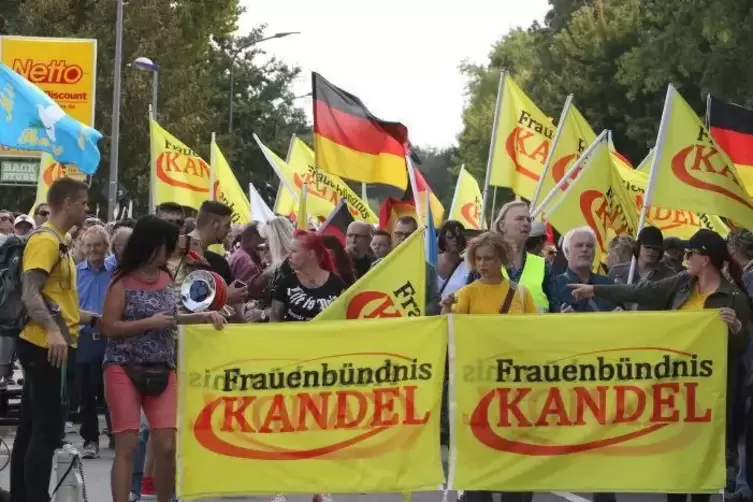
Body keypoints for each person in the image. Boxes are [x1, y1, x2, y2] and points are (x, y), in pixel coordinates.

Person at [570, 229, 752, 502]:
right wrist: (595, 289)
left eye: (691, 253)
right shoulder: (681, 283)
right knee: (676, 464)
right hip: (676, 391)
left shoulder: (735, 298)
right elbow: (643, 292)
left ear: (705, 259)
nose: (685, 258)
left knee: (700, 465)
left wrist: (736, 328)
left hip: (710, 395)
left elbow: (741, 350)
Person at [101, 215, 225, 502]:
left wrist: (202, 317)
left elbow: (169, 319)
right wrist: (148, 323)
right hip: (123, 367)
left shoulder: (166, 277)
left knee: (167, 444)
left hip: (162, 365)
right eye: (165, 247)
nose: (169, 253)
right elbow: (108, 327)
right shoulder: (121, 281)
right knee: (127, 445)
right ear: (150, 246)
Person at [10, 177, 100, 502]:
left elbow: (55, 296)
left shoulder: (58, 240)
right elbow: (30, 292)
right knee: (46, 432)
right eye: (83, 202)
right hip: (47, 346)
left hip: (51, 342)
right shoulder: (46, 240)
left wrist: (88, 318)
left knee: (32, 428)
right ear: (67, 204)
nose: (87, 208)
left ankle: (24, 495)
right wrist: (52, 331)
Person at [76, 224, 114, 459]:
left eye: (98, 245)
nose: (93, 250)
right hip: (84, 337)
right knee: (86, 393)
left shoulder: (116, 270)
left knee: (112, 391)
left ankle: (115, 434)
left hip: (111, 337)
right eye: (88, 245)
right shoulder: (76, 272)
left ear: (106, 246)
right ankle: (90, 439)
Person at [442, 232, 537, 315]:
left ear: (501, 259)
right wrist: (446, 308)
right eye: (478, 258)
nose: (482, 264)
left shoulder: (522, 293)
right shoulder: (466, 293)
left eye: (488, 258)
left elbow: (534, 328)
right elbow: (450, 327)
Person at [270, 230, 346, 322]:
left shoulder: (337, 284)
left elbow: (344, 319)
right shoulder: (286, 283)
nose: (288, 255)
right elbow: (274, 321)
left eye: (293, 251)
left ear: (310, 254)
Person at [493, 201, 552, 312]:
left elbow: (555, 308)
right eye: (519, 219)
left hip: (535, 329)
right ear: (502, 226)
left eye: (529, 220)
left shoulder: (544, 266)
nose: (526, 223)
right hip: (497, 329)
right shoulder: (485, 263)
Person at [551, 226, 621, 313]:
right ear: (567, 252)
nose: (585, 249)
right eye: (579, 245)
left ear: (594, 253)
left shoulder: (608, 284)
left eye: (589, 246)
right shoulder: (553, 286)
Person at [608, 226, 675, 287]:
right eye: (647, 247)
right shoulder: (617, 272)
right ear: (638, 247)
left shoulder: (670, 277)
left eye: (655, 248)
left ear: (660, 251)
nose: (651, 251)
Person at [228, 222, 267, 298]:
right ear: (255, 238)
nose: (264, 244)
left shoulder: (239, 254)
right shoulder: (247, 261)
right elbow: (244, 294)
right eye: (263, 239)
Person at [436, 220, 469, 299]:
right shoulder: (431, 261)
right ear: (443, 238)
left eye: (458, 237)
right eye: (450, 237)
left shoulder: (468, 266)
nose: (455, 240)